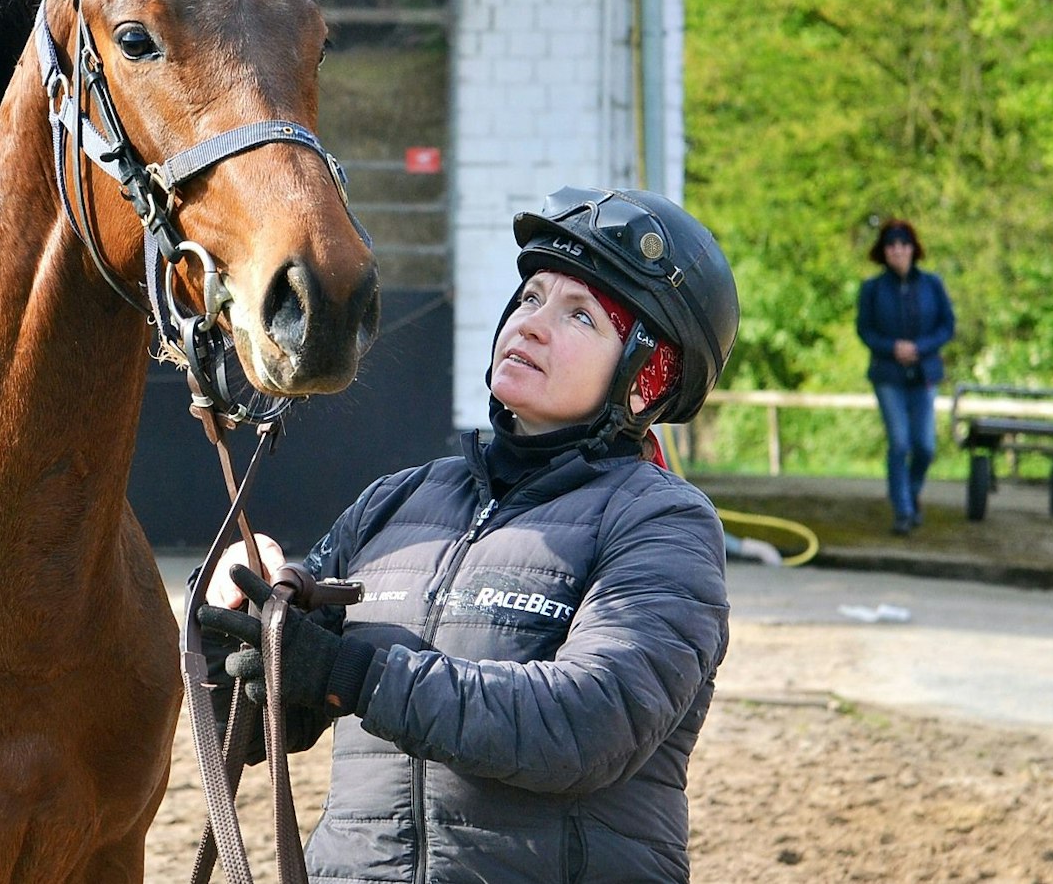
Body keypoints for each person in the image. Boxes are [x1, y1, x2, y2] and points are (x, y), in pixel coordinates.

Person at [196, 185, 740, 883]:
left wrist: (353, 674)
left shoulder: (665, 525)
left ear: (648, 377)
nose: (533, 323)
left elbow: (584, 724)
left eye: (581, 315)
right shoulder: (396, 500)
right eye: (532, 297)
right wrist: (235, 624)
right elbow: (271, 726)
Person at [855, 219, 955, 536]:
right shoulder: (871, 289)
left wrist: (920, 347)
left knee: (924, 445)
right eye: (891, 246)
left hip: (924, 374)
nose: (897, 251)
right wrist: (892, 347)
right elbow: (865, 330)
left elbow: (946, 326)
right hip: (888, 375)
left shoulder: (932, 285)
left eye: (903, 245)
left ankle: (911, 493)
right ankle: (903, 511)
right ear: (883, 252)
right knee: (899, 443)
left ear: (913, 249)